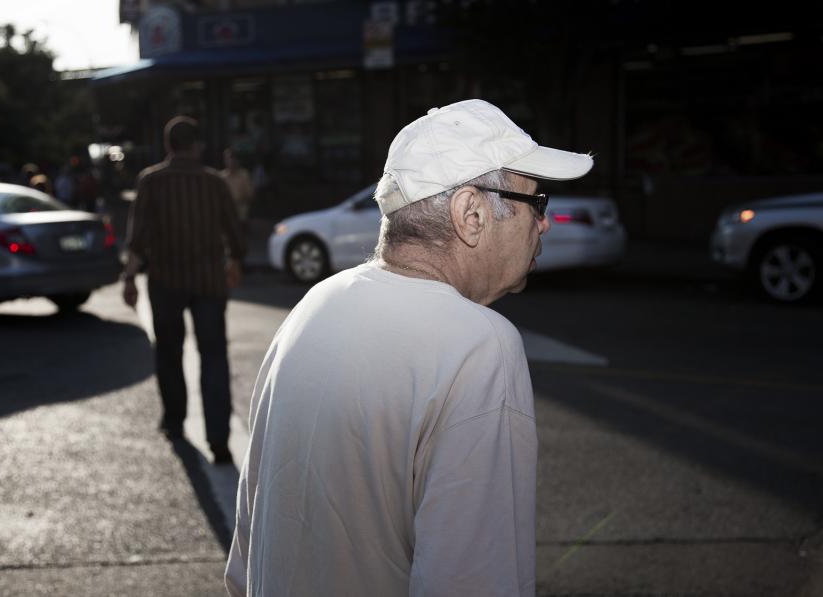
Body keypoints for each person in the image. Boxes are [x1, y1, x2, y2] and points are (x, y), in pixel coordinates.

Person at [225, 99, 593, 596]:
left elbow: (245, 557)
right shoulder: (480, 346)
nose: (544, 222)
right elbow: (474, 582)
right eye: (536, 202)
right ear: (472, 214)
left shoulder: (315, 304)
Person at [121, 116, 246, 466]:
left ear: (168, 146)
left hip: (165, 282)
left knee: (169, 353)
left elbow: (138, 237)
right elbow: (235, 234)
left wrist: (129, 277)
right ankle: (219, 439)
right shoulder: (214, 183)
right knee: (214, 357)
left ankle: (175, 423)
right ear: (196, 146)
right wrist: (235, 260)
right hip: (209, 283)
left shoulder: (151, 181)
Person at [220, 148, 255, 223]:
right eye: (228, 158)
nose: (231, 161)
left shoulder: (244, 175)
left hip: (240, 215)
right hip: (225, 215)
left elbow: (250, 195)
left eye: (233, 158)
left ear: (238, 160)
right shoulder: (221, 176)